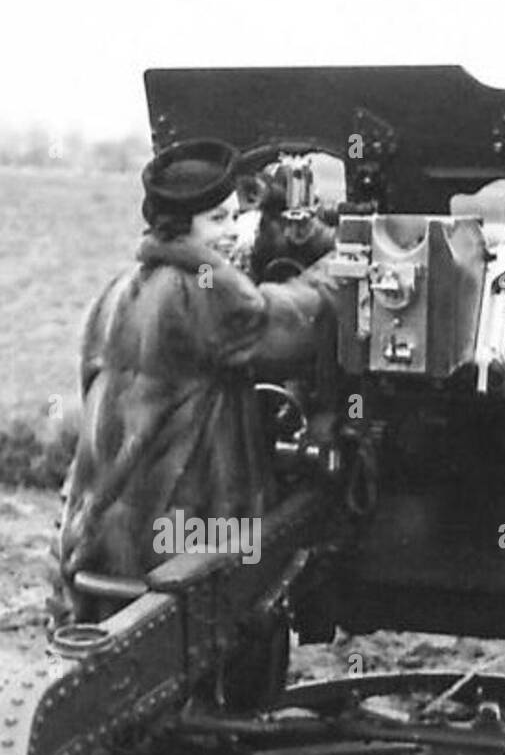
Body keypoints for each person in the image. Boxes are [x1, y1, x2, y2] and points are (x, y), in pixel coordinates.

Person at [57, 138, 337, 621]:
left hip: (103, 533)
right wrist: (337, 266)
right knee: (271, 560)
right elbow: (289, 325)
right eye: (219, 220)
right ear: (184, 227)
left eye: (235, 216)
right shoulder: (203, 289)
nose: (234, 232)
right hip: (181, 536)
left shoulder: (119, 289)